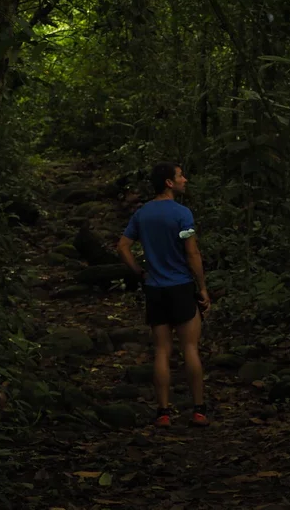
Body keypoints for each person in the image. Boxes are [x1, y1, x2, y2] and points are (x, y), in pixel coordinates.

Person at [117, 162, 210, 428]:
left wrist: (140, 272)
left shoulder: (142, 214)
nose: (185, 179)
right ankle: (198, 410)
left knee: (161, 351)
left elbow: (123, 247)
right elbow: (191, 252)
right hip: (180, 287)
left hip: (155, 289)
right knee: (190, 348)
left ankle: (163, 412)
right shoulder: (183, 215)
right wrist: (202, 287)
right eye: (181, 176)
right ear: (169, 182)